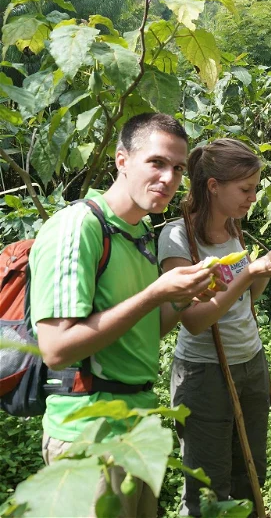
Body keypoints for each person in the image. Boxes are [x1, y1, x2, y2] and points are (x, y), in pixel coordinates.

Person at [30, 113, 223, 517]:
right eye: (156, 162)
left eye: (177, 169)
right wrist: (154, 293)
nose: (168, 178)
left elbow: (150, 326)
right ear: (121, 160)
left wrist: (183, 296)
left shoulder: (140, 234)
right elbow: (56, 349)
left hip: (136, 428)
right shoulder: (80, 226)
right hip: (89, 435)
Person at [158, 139, 271, 516]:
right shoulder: (178, 238)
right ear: (213, 185)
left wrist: (265, 270)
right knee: (209, 488)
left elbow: (243, 303)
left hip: (251, 363)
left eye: (254, 188)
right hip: (205, 374)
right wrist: (248, 272)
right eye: (246, 189)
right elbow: (195, 319)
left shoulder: (233, 229)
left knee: (250, 475)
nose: (253, 198)